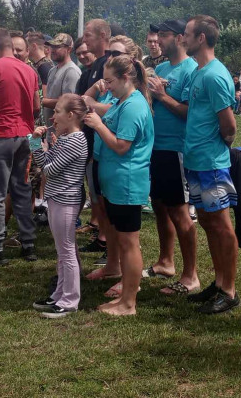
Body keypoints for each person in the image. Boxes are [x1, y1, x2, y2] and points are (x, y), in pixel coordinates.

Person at [83, 54, 155, 316]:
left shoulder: (134, 105)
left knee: (129, 243)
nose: (107, 86)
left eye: (110, 81)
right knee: (124, 242)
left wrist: (99, 125)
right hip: (116, 181)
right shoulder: (121, 100)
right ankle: (124, 297)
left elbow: (122, 146)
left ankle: (129, 303)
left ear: (126, 78)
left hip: (127, 181)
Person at [182, 15, 240, 314]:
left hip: (211, 163)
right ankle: (218, 283)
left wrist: (218, 149)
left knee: (220, 224)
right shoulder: (199, 72)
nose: (183, 38)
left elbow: (228, 126)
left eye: (187, 34)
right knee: (206, 221)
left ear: (201, 38)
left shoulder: (216, 75)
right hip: (195, 160)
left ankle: (229, 290)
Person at [0, 28, 41, 266]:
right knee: (22, 189)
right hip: (25, 136)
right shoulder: (30, 70)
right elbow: (36, 107)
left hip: (1, 135)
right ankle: (28, 244)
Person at [145, 18, 201, 296]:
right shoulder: (161, 68)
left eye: (164, 35)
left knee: (180, 212)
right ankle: (166, 261)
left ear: (179, 38)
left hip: (177, 149)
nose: (158, 41)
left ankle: (191, 276)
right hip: (155, 147)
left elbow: (189, 112)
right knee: (159, 206)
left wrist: (162, 95)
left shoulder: (191, 70)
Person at [30, 94, 90, 319]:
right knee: (63, 250)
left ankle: (70, 300)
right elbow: (45, 164)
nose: (53, 116)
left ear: (71, 115)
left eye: (57, 111)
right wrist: (37, 143)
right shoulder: (65, 139)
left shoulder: (75, 140)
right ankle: (59, 295)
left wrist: (40, 146)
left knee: (66, 251)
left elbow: (48, 170)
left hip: (65, 199)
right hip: (57, 198)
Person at [75, 19, 112, 256]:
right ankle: (101, 232)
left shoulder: (108, 64)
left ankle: (106, 240)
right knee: (95, 188)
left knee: (104, 192)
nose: (84, 39)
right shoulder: (94, 66)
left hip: (104, 138)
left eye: (88, 35)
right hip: (92, 137)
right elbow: (83, 99)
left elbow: (109, 105)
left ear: (102, 35)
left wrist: (91, 104)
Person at [42, 34, 82, 141]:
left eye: (58, 47)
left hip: (63, 137)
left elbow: (69, 104)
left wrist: (41, 101)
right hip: (51, 133)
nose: (53, 50)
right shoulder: (53, 70)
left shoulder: (71, 71)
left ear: (69, 49)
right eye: (52, 47)